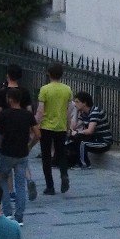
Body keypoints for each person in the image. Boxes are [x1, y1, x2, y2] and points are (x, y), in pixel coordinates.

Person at [0, 87, 39, 224]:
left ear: (9, 99)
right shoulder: (27, 115)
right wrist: (29, 145)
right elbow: (38, 134)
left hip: (6, 153)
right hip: (22, 153)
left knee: (3, 180)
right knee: (20, 184)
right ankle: (19, 216)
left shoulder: (4, 114)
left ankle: (7, 212)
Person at [36, 62, 73, 195]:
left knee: (46, 156)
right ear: (61, 75)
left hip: (46, 126)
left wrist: (35, 123)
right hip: (61, 126)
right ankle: (64, 174)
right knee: (60, 153)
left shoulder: (44, 89)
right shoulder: (67, 89)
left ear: (49, 74)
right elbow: (69, 111)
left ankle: (50, 186)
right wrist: (68, 126)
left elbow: (40, 111)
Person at [68, 91, 113, 168]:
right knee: (72, 140)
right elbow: (74, 126)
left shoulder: (95, 112)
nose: (75, 104)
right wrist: (76, 112)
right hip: (94, 139)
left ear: (84, 103)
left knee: (82, 143)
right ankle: (72, 162)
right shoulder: (83, 113)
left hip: (103, 142)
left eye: (77, 102)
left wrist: (77, 132)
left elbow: (89, 131)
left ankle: (84, 164)